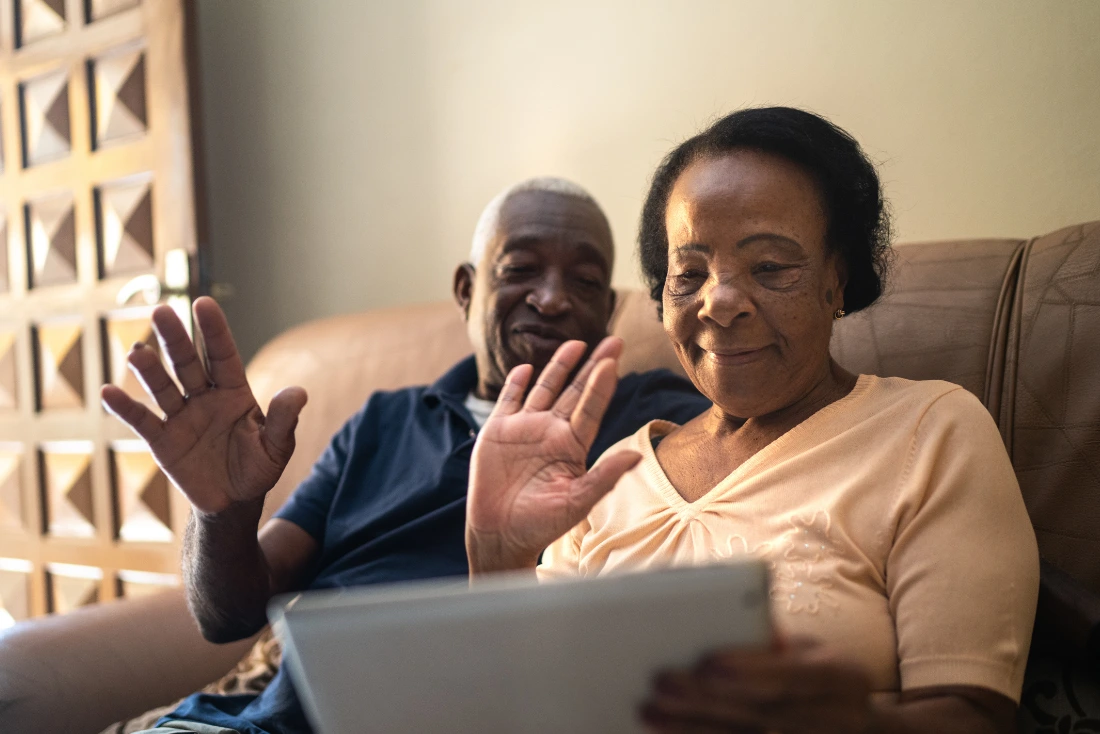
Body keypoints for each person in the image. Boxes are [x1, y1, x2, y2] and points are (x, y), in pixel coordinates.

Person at [464, 109, 1040, 733]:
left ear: (837, 281)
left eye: (770, 267)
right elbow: (516, 709)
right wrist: (497, 560)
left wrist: (854, 724)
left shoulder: (930, 432)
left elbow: (975, 718)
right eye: (689, 274)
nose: (720, 302)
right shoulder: (613, 475)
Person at [102, 177, 710, 734]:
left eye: (583, 281)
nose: (551, 299)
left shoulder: (653, 417)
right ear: (467, 290)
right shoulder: (382, 421)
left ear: (607, 314)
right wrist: (223, 513)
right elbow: (228, 617)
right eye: (521, 268)